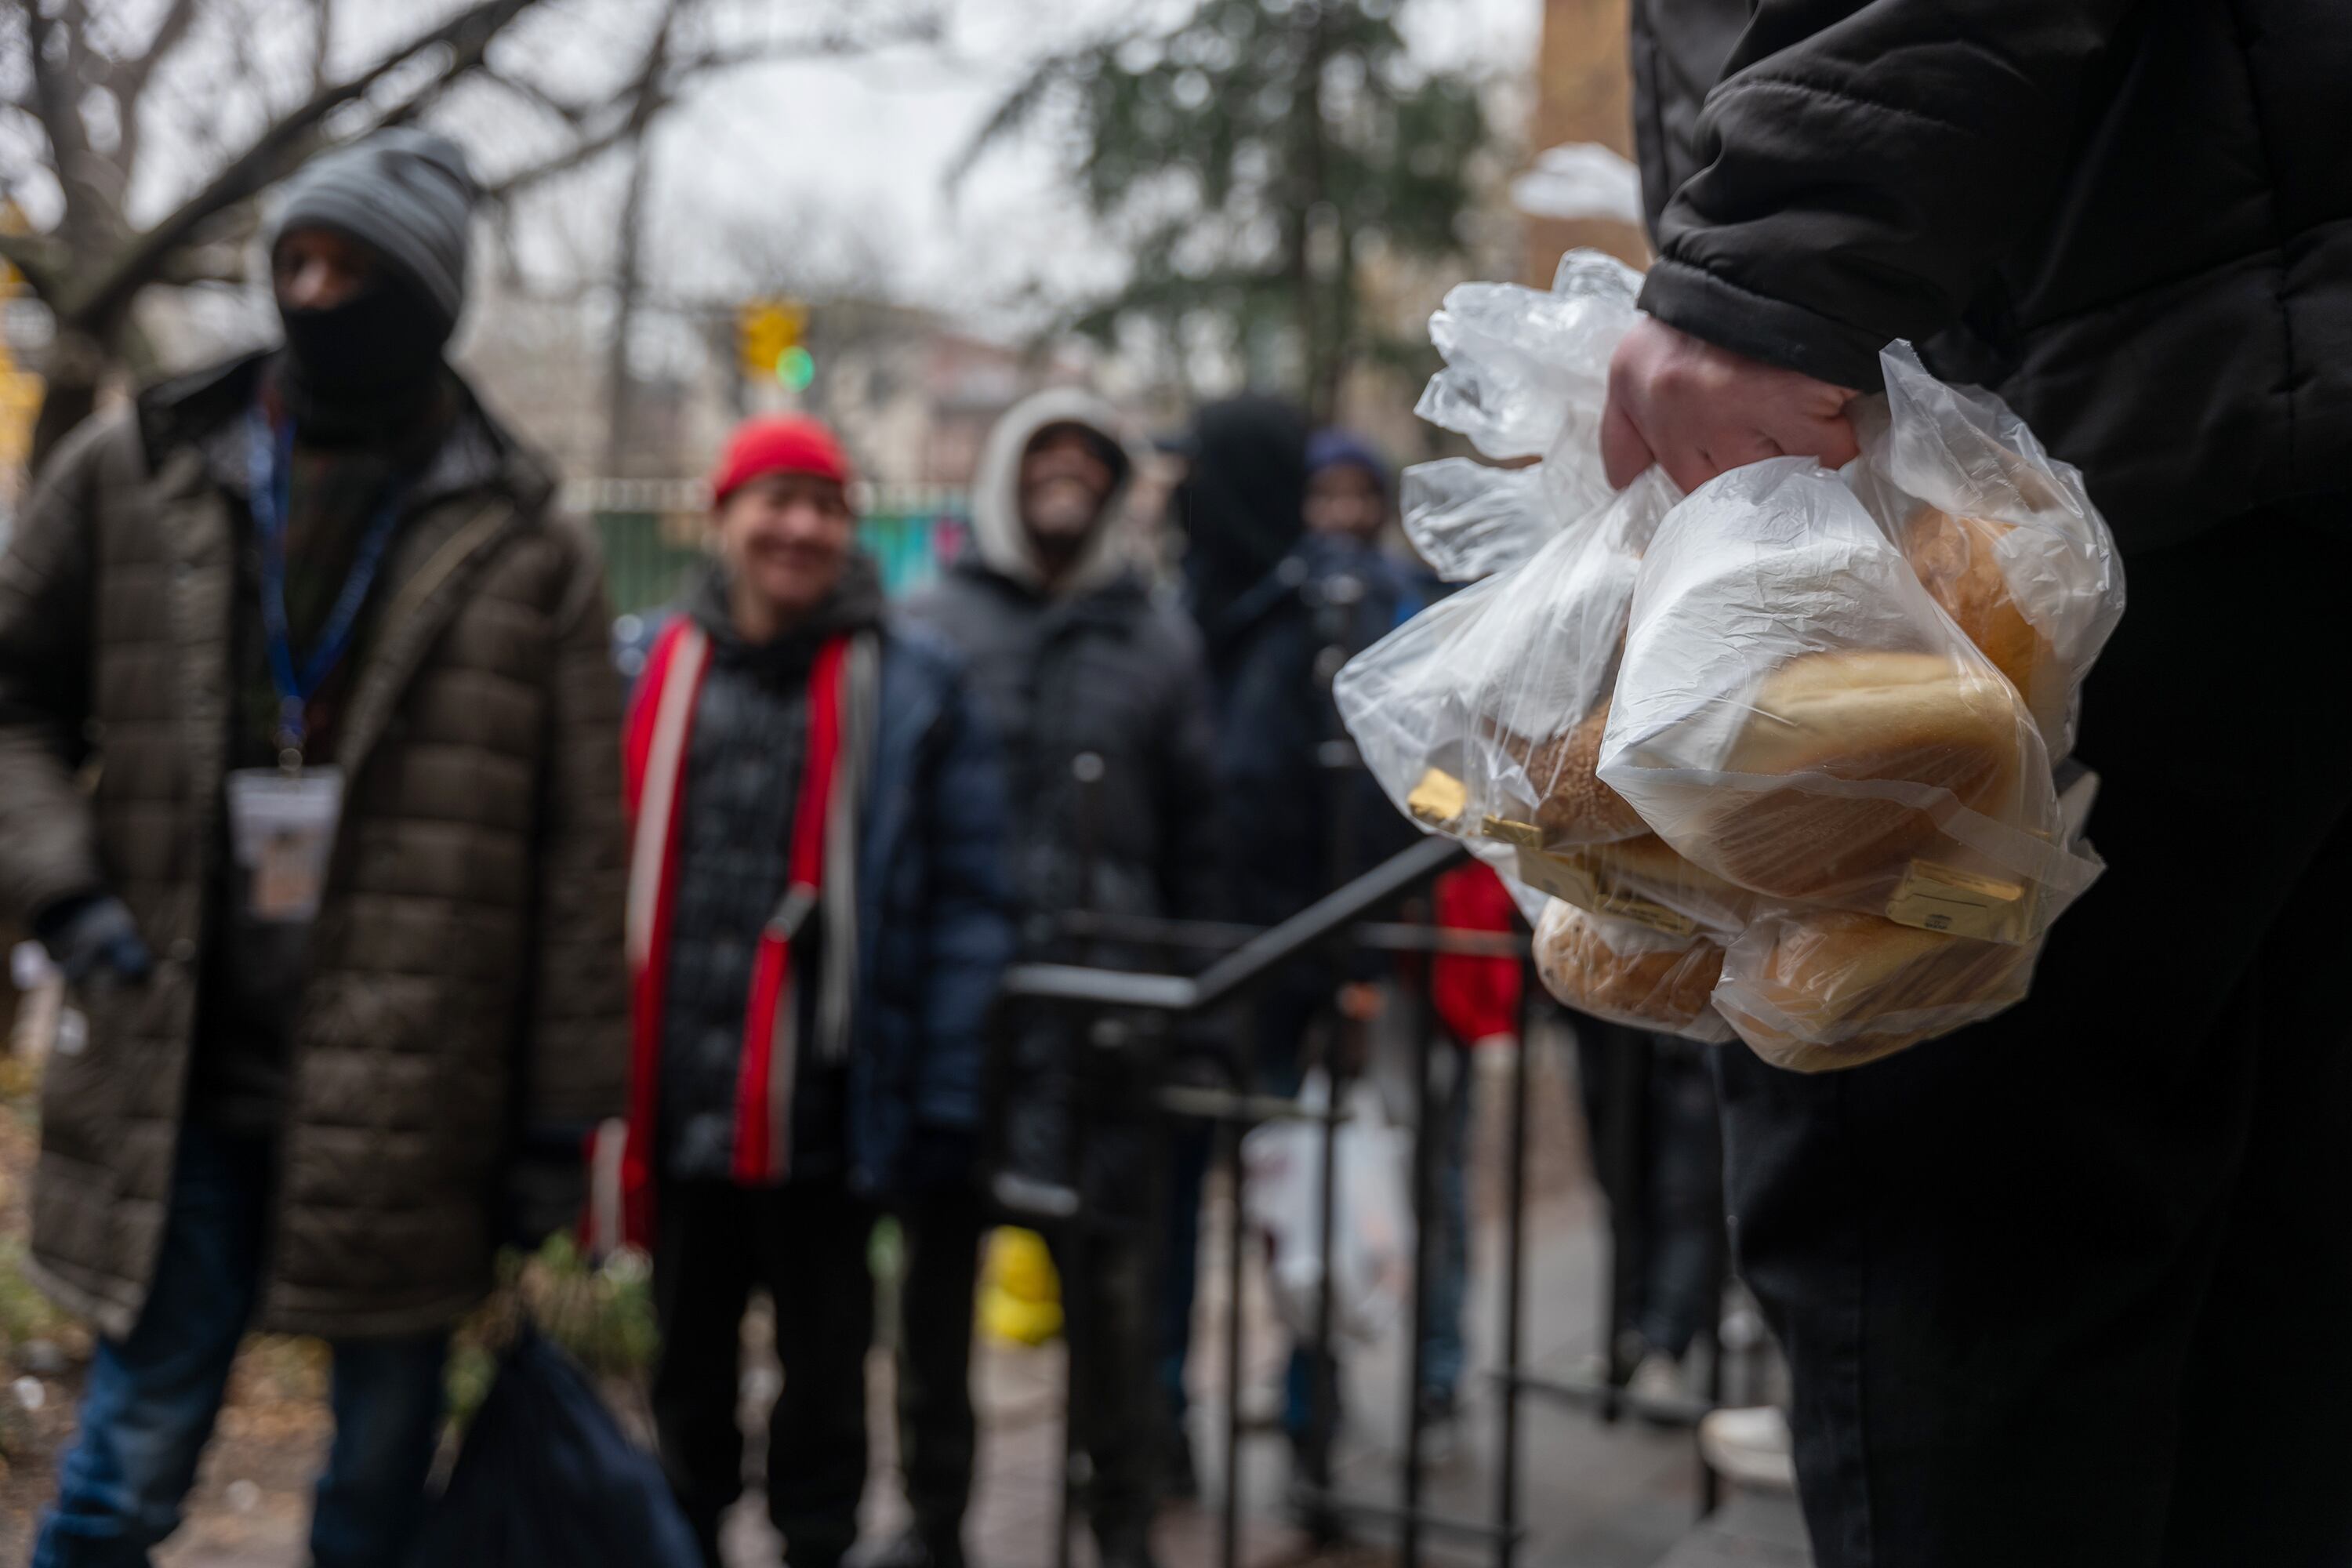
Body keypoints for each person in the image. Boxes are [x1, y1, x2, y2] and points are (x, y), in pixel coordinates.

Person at [1611, 5, 2352, 1563]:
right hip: (2262, 394)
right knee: (2263, 1310)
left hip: (2100, 427)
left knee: (1957, 1232)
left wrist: (1774, 247)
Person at [0, 129, 628, 1567]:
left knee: (377, 1490)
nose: (314, 290)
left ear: (426, 300)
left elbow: (578, 856)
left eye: (354, 269)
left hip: (420, 1093)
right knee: (127, 1470)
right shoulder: (139, 466)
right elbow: (10, 697)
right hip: (181, 1054)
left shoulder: (529, 539)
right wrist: (67, 891)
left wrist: (557, 1122)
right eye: (297, 260)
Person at [622, 413, 1014, 1568]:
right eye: (775, 500)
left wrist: (945, 1096)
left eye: (824, 506)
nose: (798, 527)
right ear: (723, 514)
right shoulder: (646, 666)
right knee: (684, 1388)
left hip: (836, 1113)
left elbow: (968, 907)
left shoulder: (914, 681)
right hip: (683, 1103)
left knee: (827, 1394)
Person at [895, 387, 1221, 1568]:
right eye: (1048, 450)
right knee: (936, 1298)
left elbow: (1197, 834)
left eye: (1094, 454)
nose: (1069, 471)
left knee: (1115, 1307)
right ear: (1005, 472)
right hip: (957, 1023)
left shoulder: (1157, 638)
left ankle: (1121, 1528)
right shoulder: (928, 622)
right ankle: (936, 1525)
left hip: (1107, 1024)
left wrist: (1199, 1011)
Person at [1174, 397, 1422, 1487]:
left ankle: (1312, 1420)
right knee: (1184, 1202)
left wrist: (1355, 977)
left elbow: (1371, 800)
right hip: (1192, 964)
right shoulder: (1185, 604)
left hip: (1301, 963)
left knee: (1306, 1198)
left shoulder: (1335, 608)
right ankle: (1162, 1424)